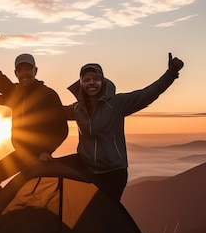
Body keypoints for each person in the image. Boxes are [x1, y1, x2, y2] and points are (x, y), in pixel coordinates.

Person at [59, 54, 184, 201]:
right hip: (87, 168)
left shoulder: (117, 103)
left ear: (103, 81)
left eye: (95, 79)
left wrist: (170, 75)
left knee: (107, 213)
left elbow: (147, 94)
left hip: (113, 172)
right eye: (86, 80)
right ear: (81, 83)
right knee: (49, 166)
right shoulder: (77, 109)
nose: (91, 83)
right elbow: (52, 111)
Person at [0, 33, 68, 202]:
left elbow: (61, 129)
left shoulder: (48, 94)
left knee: (37, 196)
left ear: (35, 70)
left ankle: (19, 218)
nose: (25, 73)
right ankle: (7, 216)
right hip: (21, 155)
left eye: (28, 69)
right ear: (16, 73)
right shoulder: (14, 92)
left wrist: (46, 151)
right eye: (21, 70)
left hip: (38, 157)